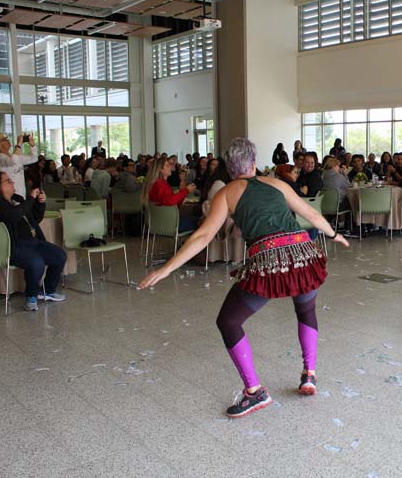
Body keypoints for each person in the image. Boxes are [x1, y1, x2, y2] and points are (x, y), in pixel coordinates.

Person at [140, 137, 349, 418]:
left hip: (269, 259)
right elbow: (310, 212)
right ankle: (309, 374)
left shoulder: (226, 193)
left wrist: (166, 268)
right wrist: (334, 235)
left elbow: (203, 236)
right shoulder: (276, 183)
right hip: (302, 254)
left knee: (228, 321)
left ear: (229, 166)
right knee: (306, 309)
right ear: (253, 162)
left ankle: (255, 392)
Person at [0, 172, 67, 311]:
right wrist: (30, 199)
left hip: (32, 241)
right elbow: (13, 216)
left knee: (59, 256)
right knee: (36, 262)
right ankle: (31, 296)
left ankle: (47, 291)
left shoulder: (17, 199)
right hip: (11, 246)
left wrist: (40, 203)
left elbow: (34, 218)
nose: (12, 182)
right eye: (8, 181)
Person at [142, 157, 197, 232]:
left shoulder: (155, 183)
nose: (170, 167)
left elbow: (174, 205)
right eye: (167, 166)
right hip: (168, 224)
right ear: (160, 170)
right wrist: (186, 190)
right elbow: (170, 201)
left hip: (155, 223)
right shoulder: (160, 184)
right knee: (202, 221)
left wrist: (182, 182)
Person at [0, 133, 41, 199]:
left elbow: (34, 158)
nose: (7, 140)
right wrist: (19, 144)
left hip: (20, 194)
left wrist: (32, 145)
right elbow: (13, 161)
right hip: (8, 196)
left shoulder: (12, 155)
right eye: (3, 139)